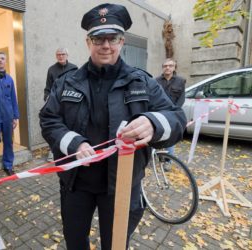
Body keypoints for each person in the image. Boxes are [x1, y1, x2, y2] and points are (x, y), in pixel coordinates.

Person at [39, 3, 186, 249]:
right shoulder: (66, 82)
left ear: (122, 41)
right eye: (98, 38)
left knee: (116, 245)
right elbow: (48, 119)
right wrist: (74, 143)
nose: (105, 45)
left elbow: (177, 117)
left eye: (112, 38)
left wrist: (153, 124)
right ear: (88, 42)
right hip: (76, 184)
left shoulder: (142, 82)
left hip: (122, 185)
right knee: (75, 242)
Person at [44, 48, 78, 161]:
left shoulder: (74, 68)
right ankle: (52, 151)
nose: (61, 56)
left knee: (68, 126)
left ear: (67, 55)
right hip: (55, 104)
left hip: (69, 103)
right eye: (58, 54)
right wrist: (47, 97)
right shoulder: (51, 70)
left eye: (63, 54)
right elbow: (47, 88)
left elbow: (78, 86)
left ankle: (70, 149)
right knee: (54, 127)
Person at [155, 58, 186, 161]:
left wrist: (174, 112)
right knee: (158, 135)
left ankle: (168, 161)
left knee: (170, 137)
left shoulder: (181, 81)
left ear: (174, 68)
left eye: (170, 65)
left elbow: (181, 99)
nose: (167, 68)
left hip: (172, 114)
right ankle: (158, 157)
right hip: (159, 112)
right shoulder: (156, 81)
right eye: (165, 66)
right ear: (162, 68)